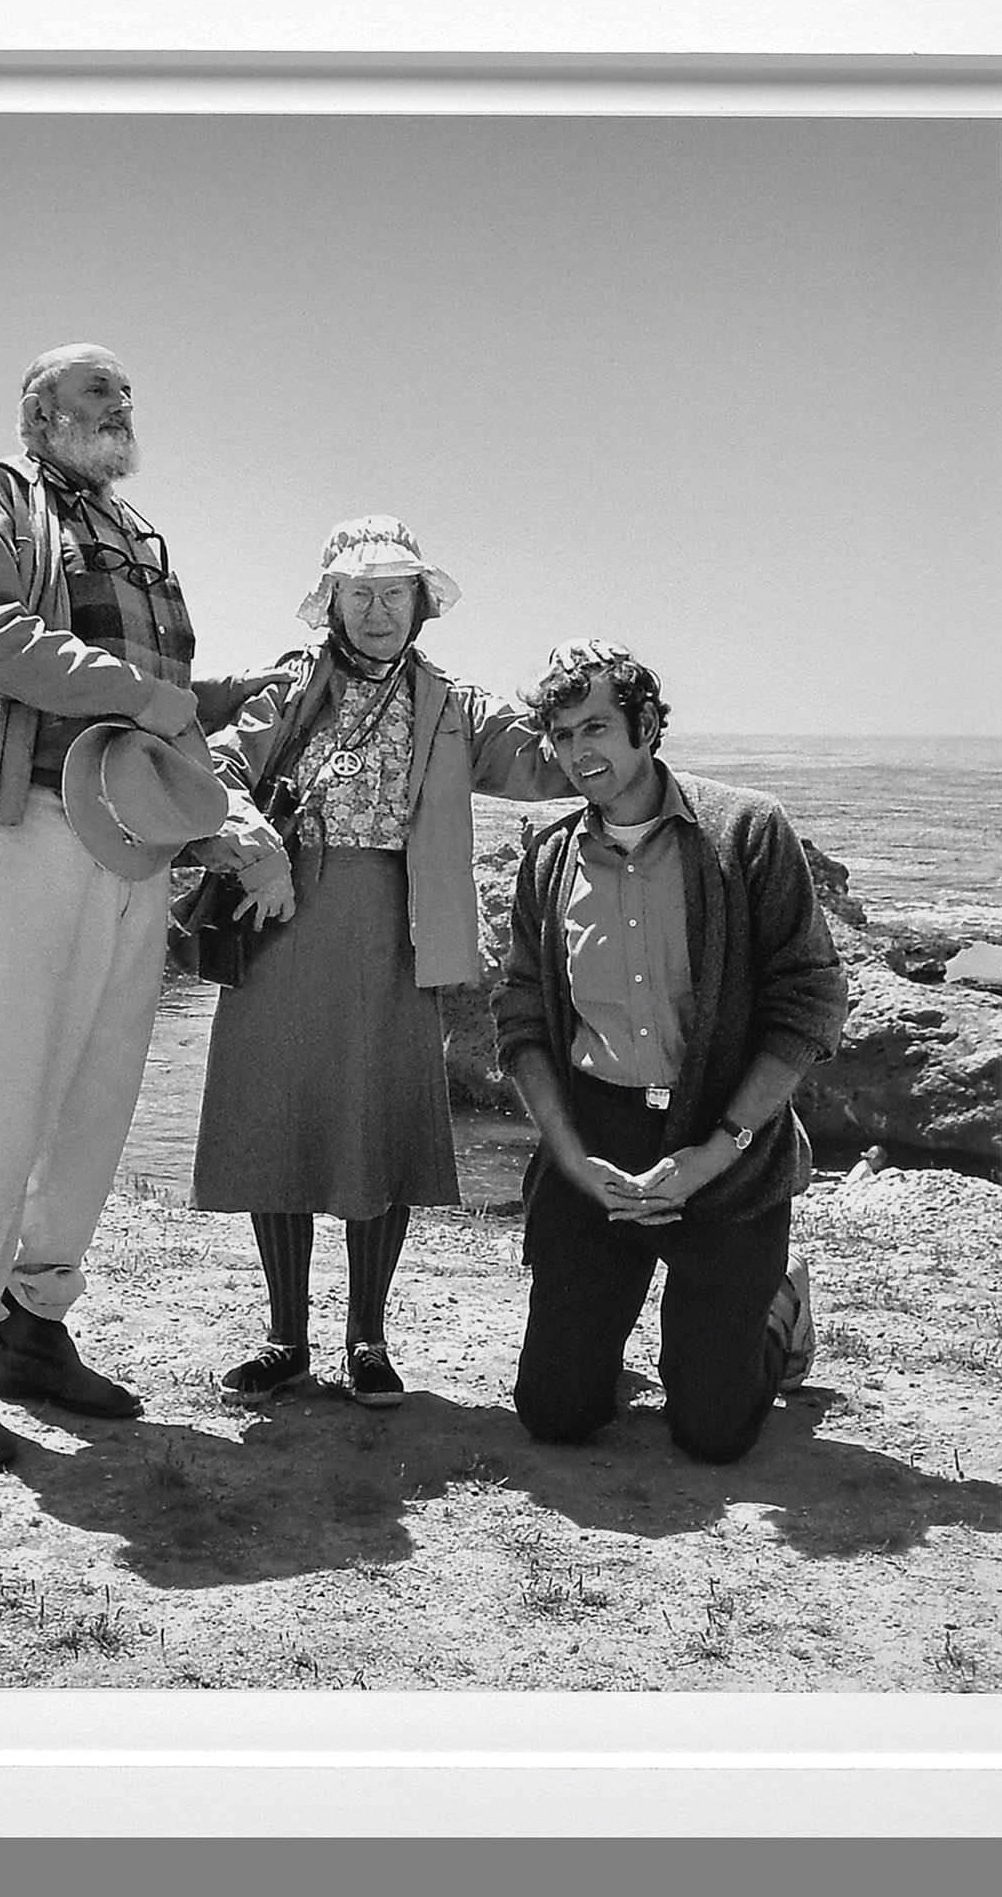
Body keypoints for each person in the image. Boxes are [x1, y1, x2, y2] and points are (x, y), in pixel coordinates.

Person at [0, 342, 285, 1472]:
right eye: (95, 390)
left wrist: (223, 696)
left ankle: (33, 1327)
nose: (119, 406)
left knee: (101, 1091)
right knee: (13, 1078)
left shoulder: (135, 532)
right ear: (39, 411)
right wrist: (162, 696)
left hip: (133, 833)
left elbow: (154, 699)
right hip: (26, 817)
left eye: (125, 393)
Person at [191, 515, 576, 1409]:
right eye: (358, 592)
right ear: (330, 602)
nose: (376, 610)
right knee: (276, 1121)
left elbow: (553, 766)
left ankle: (368, 1340)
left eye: (393, 591)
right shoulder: (290, 686)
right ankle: (287, 1340)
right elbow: (217, 771)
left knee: (377, 1124)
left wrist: (596, 701)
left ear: (419, 603)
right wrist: (256, 851)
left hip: (400, 927)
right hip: (277, 912)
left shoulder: (454, 705)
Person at [493, 641, 848, 1461]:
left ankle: (776, 1315)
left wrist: (714, 1151)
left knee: (713, 1434)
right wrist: (571, 1156)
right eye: (560, 734)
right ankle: (614, 1334)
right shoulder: (549, 859)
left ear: (646, 725)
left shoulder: (746, 832)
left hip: (723, 1149)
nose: (579, 752)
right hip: (597, 1150)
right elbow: (522, 1018)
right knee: (557, 1415)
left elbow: (809, 1002)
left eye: (597, 728)